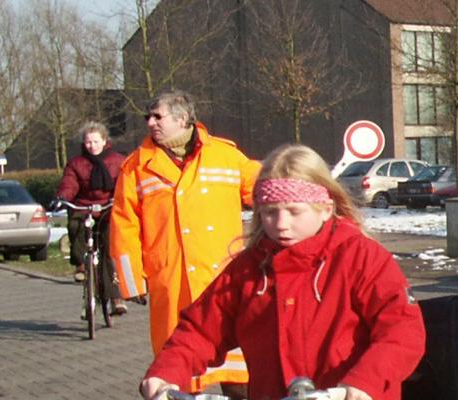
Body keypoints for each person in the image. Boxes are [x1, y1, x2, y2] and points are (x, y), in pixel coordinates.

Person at [138, 144, 425, 400]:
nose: (281, 224)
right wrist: (165, 372)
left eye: (294, 211)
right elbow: (201, 330)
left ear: (325, 209)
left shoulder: (360, 257)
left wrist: (365, 382)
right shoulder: (250, 268)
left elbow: (401, 330)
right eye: (270, 212)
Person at [111, 89, 261, 393]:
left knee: (240, 376)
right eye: (147, 117)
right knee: (178, 375)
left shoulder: (225, 155)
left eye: (157, 116)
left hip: (223, 278)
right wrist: (131, 282)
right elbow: (124, 226)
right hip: (172, 281)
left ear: (182, 118)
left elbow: (264, 189)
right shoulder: (136, 167)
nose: (150, 122)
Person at [52, 121, 127, 315]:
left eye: (95, 141)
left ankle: (116, 297)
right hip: (83, 206)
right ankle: (80, 265)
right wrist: (62, 198)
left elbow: (124, 184)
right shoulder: (76, 163)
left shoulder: (118, 161)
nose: (91, 146)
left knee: (110, 248)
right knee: (75, 225)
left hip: (108, 206)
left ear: (104, 141)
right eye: (87, 142)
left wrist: (122, 199)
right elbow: (70, 184)